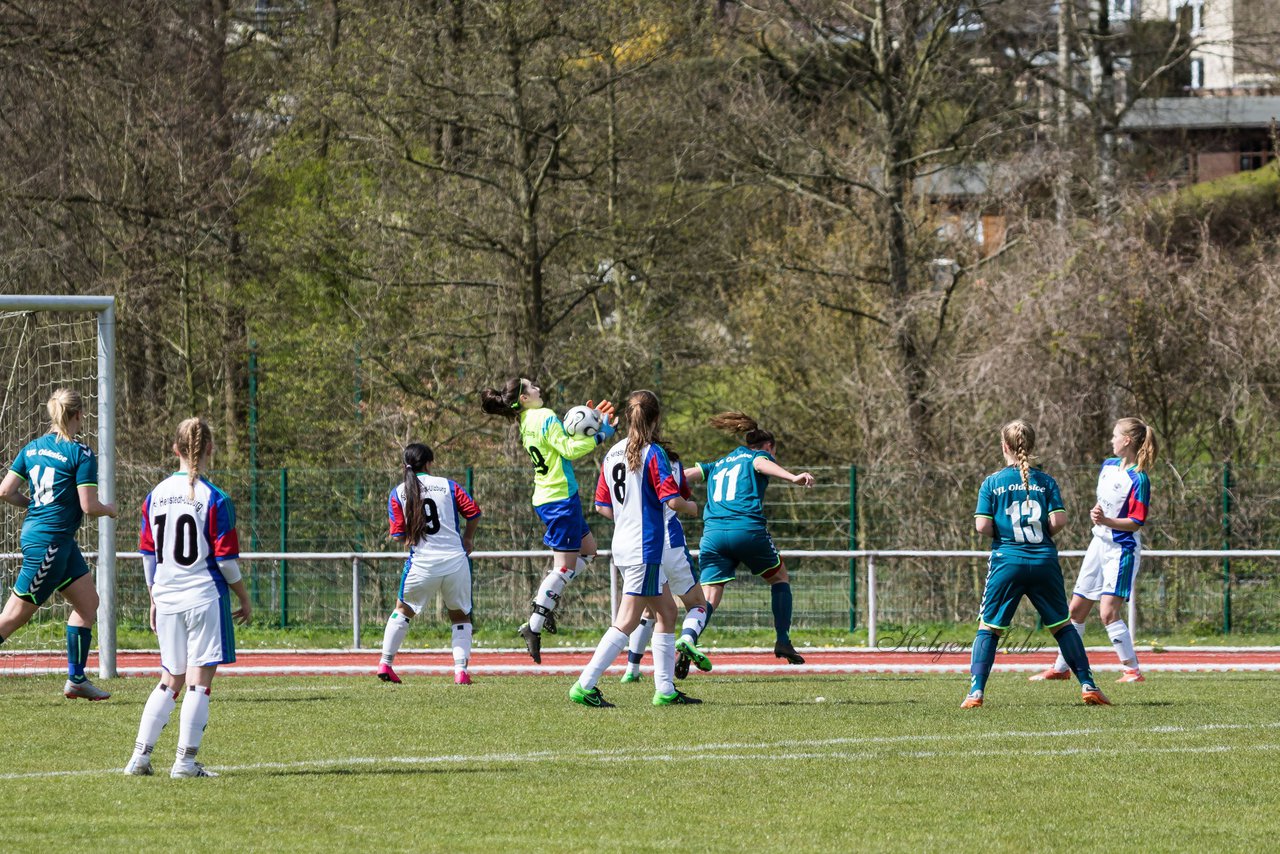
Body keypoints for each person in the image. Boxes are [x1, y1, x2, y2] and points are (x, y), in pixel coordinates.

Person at [125, 418, 251, 777]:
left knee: (169, 678)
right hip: (203, 596)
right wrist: (243, 596)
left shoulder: (155, 495)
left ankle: (140, 757)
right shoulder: (216, 498)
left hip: (166, 597)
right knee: (198, 682)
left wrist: (152, 597)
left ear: (175, 449)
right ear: (210, 449)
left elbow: (148, 554)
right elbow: (226, 560)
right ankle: (185, 761)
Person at [964, 419, 1109, 709]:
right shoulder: (1046, 481)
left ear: (1004, 446)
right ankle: (1088, 684)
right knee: (1062, 625)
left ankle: (976, 693)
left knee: (989, 628)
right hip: (1044, 559)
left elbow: (982, 526)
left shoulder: (992, 482)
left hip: (1007, 560)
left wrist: (1004, 533)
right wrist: (1041, 536)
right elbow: (1059, 521)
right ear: (1030, 447)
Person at [570, 390, 701, 707]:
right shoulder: (653, 453)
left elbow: (603, 507)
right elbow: (671, 500)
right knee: (628, 619)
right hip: (645, 545)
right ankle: (584, 684)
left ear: (630, 418)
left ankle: (666, 691)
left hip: (625, 543)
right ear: (655, 419)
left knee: (667, 612)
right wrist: (693, 507)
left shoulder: (612, 452)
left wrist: (628, 513)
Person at [480, 377, 614, 663]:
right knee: (563, 569)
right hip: (559, 500)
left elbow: (561, 444)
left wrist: (590, 421)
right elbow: (568, 450)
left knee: (589, 552)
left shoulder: (527, 420)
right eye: (532, 386)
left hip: (555, 498)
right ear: (524, 398)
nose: (538, 388)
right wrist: (601, 434)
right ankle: (535, 623)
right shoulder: (544, 415)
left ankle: (546, 601)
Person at [0, 388, 117, 700]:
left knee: (88, 603)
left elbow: (5, 491)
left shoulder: (33, 447)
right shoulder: (81, 454)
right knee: (12, 617)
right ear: (79, 415)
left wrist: (33, 505)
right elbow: (89, 506)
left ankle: (77, 680)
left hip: (57, 542)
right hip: (49, 544)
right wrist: (110, 509)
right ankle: (77, 678)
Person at [1031, 417, 1157, 684]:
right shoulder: (1109, 466)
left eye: (1115, 435)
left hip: (1121, 549)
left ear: (1127, 441)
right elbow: (1105, 506)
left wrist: (1107, 521)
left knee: (1107, 612)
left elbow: (1135, 522)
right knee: (1075, 610)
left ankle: (1132, 670)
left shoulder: (1139, 478)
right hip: (1098, 544)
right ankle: (1061, 667)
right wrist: (1098, 514)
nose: (1111, 440)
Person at [683, 412, 814, 664]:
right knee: (780, 577)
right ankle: (783, 640)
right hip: (746, 530)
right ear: (767, 447)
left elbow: (687, 474)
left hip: (712, 535)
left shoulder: (719, 462)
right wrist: (792, 476)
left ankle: (689, 639)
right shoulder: (756, 456)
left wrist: (656, 482)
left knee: (710, 594)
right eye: (772, 452)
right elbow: (760, 464)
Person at [377, 443, 482, 686]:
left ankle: (385, 663)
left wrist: (410, 538)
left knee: (403, 611)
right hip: (455, 561)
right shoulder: (448, 485)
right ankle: (461, 671)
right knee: (460, 616)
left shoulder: (398, 492)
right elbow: (474, 513)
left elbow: (398, 534)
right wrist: (468, 538)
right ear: (429, 463)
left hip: (422, 563)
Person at [612, 446, 712, 683]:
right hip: (668, 543)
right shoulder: (668, 462)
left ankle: (632, 669)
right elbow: (678, 499)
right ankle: (687, 639)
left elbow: (603, 507)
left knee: (648, 610)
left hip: (637, 545)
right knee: (698, 604)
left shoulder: (620, 457)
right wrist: (693, 507)